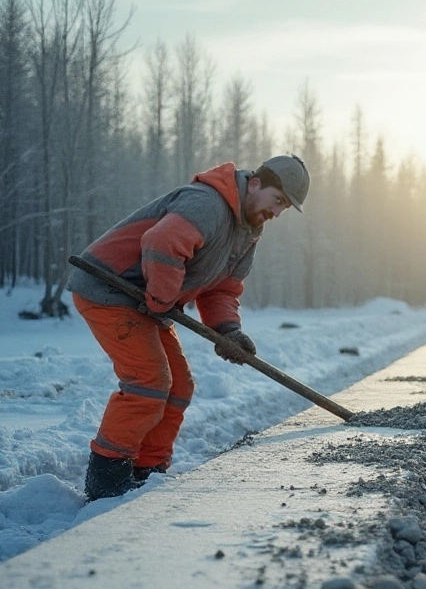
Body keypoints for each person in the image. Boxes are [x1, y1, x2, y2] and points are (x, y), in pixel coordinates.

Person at [68, 155, 310, 501]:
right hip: (110, 289)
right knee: (149, 382)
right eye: (279, 200)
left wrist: (228, 331)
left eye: (286, 207)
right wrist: (162, 299)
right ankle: (107, 478)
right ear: (255, 184)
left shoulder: (248, 233)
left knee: (179, 387)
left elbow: (223, 288)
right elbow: (162, 243)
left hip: (146, 301)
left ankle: (147, 471)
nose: (278, 212)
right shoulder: (207, 202)